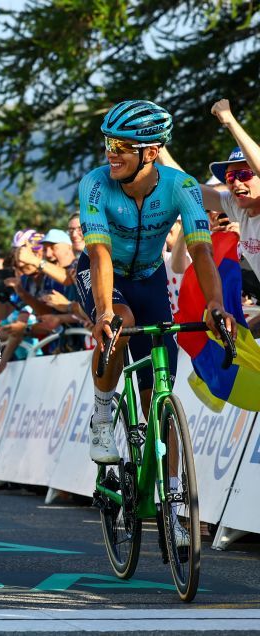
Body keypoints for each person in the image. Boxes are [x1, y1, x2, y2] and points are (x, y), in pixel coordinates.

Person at [78, 101, 233, 486]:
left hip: (149, 279)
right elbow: (99, 252)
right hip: (101, 272)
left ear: (150, 152)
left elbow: (200, 249)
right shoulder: (95, 183)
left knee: (158, 398)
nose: (111, 155)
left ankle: (175, 501)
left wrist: (216, 303)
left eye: (122, 147)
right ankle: (100, 416)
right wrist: (103, 313)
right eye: (108, 145)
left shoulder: (180, 187)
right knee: (121, 321)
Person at [160, 99, 260, 275]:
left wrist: (230, 121)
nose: (236, 183)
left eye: (244, 174)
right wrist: (154, 145)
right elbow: (188, 186)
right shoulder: (237, 207)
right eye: (230, 177)